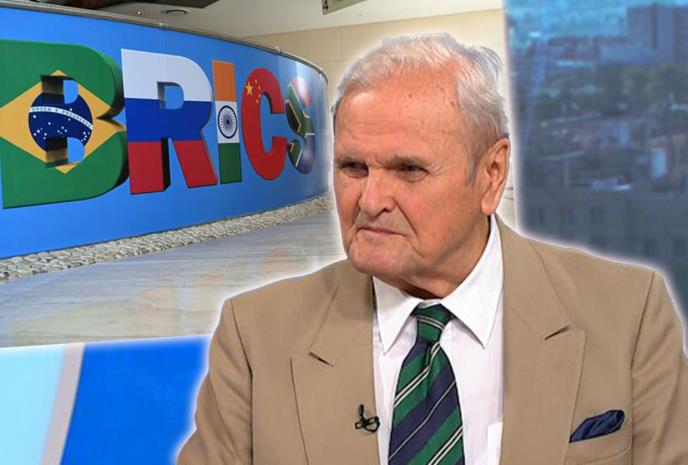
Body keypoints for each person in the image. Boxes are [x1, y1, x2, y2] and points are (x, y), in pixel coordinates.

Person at [177, 33, 688, 465]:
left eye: (408, 170)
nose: (370, 200)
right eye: (353, 167)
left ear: (492, 174)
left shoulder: (628, 313)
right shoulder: (255, 335)